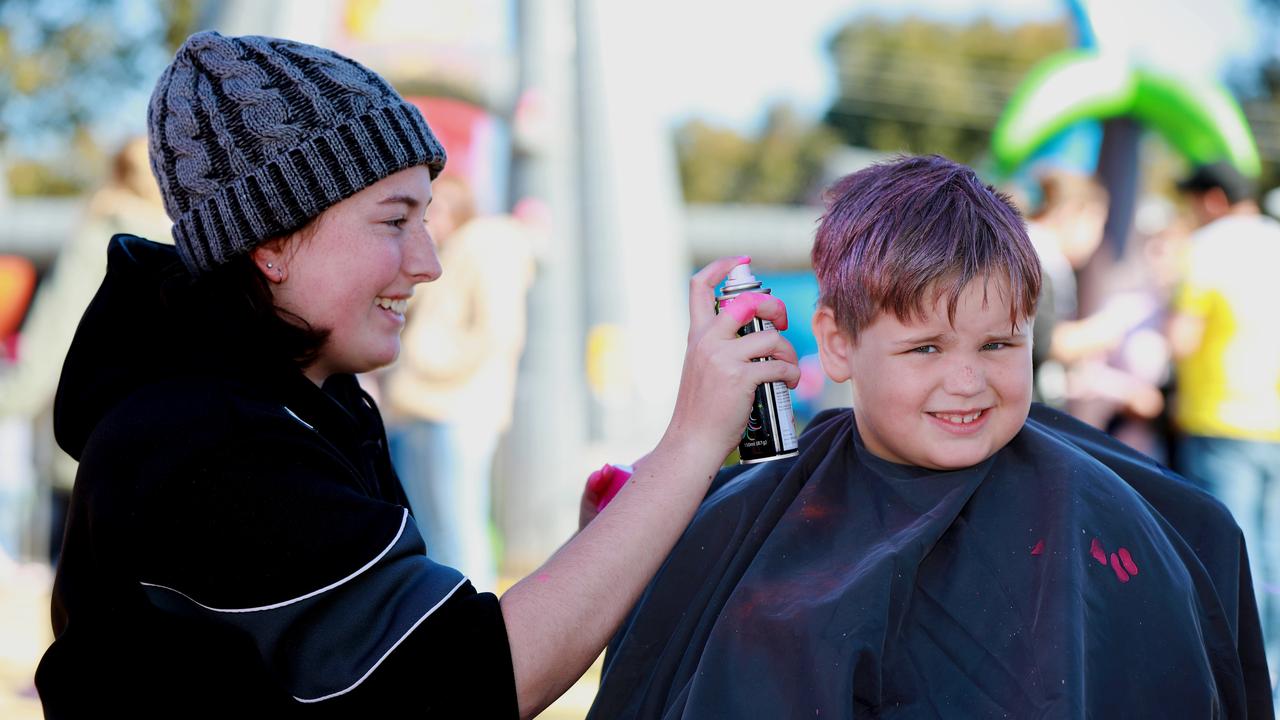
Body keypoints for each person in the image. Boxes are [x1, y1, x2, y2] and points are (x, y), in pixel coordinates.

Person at [33, 31, 800, 719]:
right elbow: (459, 686)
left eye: (426, 220)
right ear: (269, 242)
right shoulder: (208, 437)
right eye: (394, 220)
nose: (427, 262)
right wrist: (692, 442)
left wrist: (613, 544)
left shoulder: (285, 399)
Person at [589, 155, 1271, 719]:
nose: (968, 380)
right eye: (926, 349)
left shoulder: (1100, 510)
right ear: (836, 343)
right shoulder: (765, 509)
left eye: (999, 343)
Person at [383, 174, 533, 591]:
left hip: (457, 410)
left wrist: (425, 361)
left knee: (458, 530)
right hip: (422, 407)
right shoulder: (455, 251)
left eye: (434, 210)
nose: (427, 221)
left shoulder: (489, 246)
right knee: (432, 533)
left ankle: (478, 637)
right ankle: (451, 629)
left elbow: (499, 332)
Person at [1170, 160, 1280, 684]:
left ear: (1211, 199)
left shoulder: (1209, 247)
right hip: (1273, 421)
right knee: (1273, 558)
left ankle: (1242, 684)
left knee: (1234, 563)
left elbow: (1182, 338)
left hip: (1220, 419)